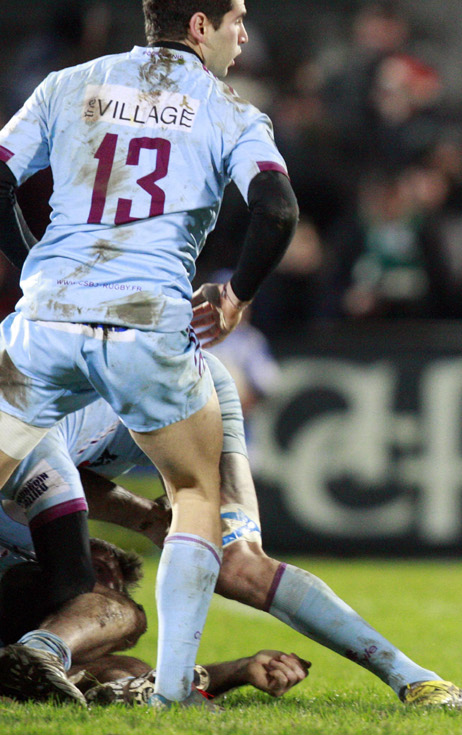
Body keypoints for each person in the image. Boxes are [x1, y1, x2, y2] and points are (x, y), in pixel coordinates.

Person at [0, 0, 298, 707]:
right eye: (236, 18)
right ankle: (168, 691)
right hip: (147, 323)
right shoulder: (230, 109)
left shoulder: (69, 83)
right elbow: (277, 209)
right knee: (194, 494)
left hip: (44, 318)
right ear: (199, 26)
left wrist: (34, 259)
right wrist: (237, 294)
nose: (244, 34)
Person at [0, 352, 462, 709]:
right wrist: (238, 670)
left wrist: (147, 519)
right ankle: (63, 657)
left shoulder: (28, 442)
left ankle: (413, 677)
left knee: (235, 565)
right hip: (115, 372)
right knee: (117, 645)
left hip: (183, 383)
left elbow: (66, 547)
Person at [0, 533, 312, 705]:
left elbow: (159, 680)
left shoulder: (94, 655)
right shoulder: (18, 567)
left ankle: (123, 692)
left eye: (110, 583)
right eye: (96, 568)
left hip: (17, 669)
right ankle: (40, 649)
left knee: (131, 672)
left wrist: (239, 670)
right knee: (127, 614)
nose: (95, 586)